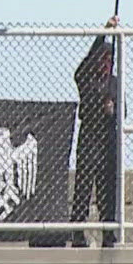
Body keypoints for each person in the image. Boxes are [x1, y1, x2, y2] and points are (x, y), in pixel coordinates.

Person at [35, 17, 120, 249]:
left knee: (107, 189)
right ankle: (77, 233)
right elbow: (85, 63)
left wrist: (113, 109)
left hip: (108, 138)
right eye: (102, 59)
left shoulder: (114, 82)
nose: (105, 63)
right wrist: (104, 32)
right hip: (90, 135)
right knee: (84, 185)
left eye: (109, 59)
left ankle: (108, 234)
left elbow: (124, 112)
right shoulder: (86, 78)